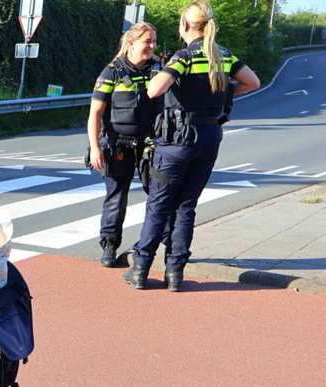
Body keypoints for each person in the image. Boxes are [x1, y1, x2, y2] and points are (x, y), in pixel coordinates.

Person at [124, 1, 259, 291]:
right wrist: (221, 91)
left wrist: (171, 78)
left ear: (185, 25)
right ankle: (175, 274)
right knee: (186, 206)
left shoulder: (184, 56)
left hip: (178, 139)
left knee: (159, 205)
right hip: (210, 137)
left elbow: (154, 90)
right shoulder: (224, 55)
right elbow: (253, 83)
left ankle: (141, 270)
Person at [88, 21, 161, 268]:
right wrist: (95, 148)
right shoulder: (112, 72)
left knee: (158, 196)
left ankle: (162, 246)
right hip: (117, 146)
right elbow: (95, 113)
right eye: (147, 41)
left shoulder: (159, 69)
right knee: (116, 197)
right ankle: (109, 246)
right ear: (131, 43)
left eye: (154, 41)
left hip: (150, 145)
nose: (152, 46)